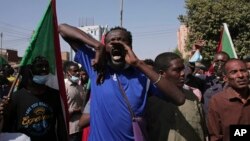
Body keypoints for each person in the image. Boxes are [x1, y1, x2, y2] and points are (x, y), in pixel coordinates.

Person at [59, 24, 185, 141]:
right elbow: (62, 29)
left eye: (121, 41)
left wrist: (139, 63)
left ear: (130, 46)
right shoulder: (97, 67)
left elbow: (179, 99)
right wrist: (97, 45)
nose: (116, 45)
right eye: (111, 42)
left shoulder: (142, 74)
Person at [1, 56, 68, 141]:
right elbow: (7, 129)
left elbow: (61, 126)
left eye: (46, 66)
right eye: (39, 66)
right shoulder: (15, 98)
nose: (44, 69)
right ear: (30, 71)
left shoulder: (55, 94)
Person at [145, 52, 207, 141]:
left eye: (183, 69)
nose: (183, 74)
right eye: (177, 70)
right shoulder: (149, 101)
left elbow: (203, 130)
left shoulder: (192, 97)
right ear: (161, 73)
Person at [207, 59, 250, 141]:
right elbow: (215, 137)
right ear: (226, 78)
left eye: (243, 71)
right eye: (234, 72)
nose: (240, 75)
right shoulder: (217, 101)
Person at [202, 51, 230, 119]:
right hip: (211, 125)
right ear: (213, 63)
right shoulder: (205, 80)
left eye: (223, 61)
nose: (219, 64)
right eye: (217, 61)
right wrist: (192, 63)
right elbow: (186, 79)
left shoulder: (236, 80)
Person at [64, 61, 86, 141]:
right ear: (67, 73)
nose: (78, 73)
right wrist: (76, 110)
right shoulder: (64, 87)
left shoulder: (80, 85)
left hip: (82, 127)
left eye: (78, 70)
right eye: (74, 71)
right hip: (72, 130)